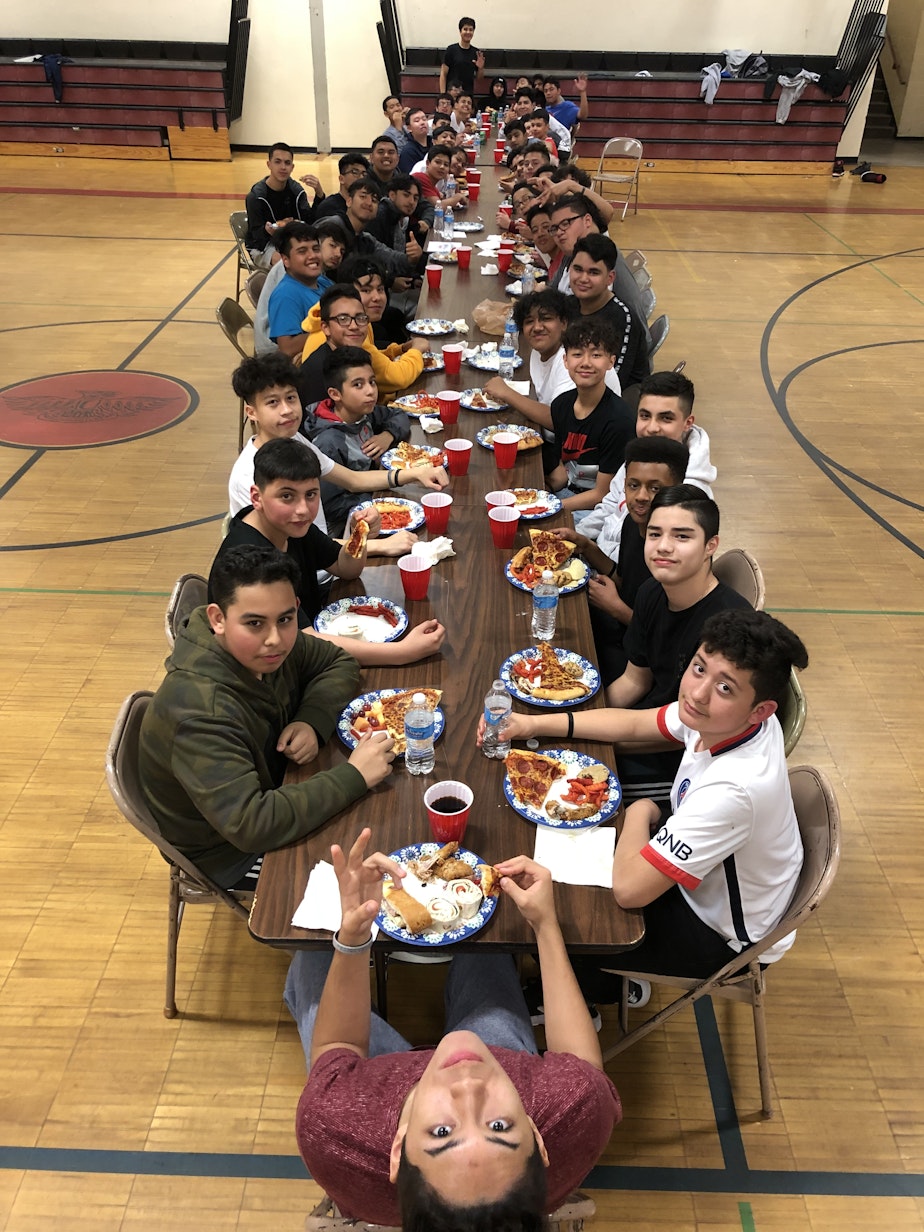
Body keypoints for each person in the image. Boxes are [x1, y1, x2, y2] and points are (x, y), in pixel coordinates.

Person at [287, 830, 622, 1227]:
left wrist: (354, 938)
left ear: (397, 1150)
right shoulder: (575, 1113)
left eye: (443, 1131)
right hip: (502, 1058)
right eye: (499, 1126)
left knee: (311, 962)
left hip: (379, 1085)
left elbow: (338, 1043)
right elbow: (580, 1063)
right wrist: (545, 924)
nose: (467, 1088)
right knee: (489, 951)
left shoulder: (334, 1127)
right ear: (538, 1137)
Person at [489, 609, 809, 1007]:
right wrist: (534, 725)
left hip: (720, 934)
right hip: (704, 876)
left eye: (725, 687)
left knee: (551, 909)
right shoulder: (728, 717)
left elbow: (629, 891)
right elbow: (637, 725)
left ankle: (593, 998)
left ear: (761, 709)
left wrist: (640, 811)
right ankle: (603, 981)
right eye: (698, 668)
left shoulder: (735, 789)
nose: (697, 693)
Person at [138, 544, 395, 890]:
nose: (275, 639)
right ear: (217, 619)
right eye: (254, 623)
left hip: (278, 787)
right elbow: (252, 824)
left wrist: (311, 720)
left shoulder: (263, 650)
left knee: (383, 835)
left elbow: (338, 661)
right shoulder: (199, 715)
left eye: (286, 620)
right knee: (360, 881)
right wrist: (354, 776)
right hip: (229, 854)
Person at [228, 353, 446, 547]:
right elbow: (296, 549)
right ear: (252, 412)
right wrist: (378, 546)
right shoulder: (250, 475)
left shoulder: (295, 440)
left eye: (291, 398)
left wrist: (417, 473)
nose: (287, 410)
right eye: (273, 402)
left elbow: (353, 479)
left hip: (328, 557)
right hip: (307, 576)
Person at [562, 435, 690, 684]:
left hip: (639, 660)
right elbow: (622, 578)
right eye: (633, 485)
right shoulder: (632, 524)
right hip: (617, 628)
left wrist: (616, 608)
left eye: (655, 488)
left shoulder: (676, 555)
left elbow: (667, 637)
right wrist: (586, 546)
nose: (641, 496)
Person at [580, 370, 716, 559]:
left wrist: (592, 554)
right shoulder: (643, 454)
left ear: (688, 423)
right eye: (645, 416)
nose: (651, 428)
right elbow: (611, 505)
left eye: (666, 418)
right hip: (603, 547)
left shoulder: (691, 495)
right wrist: (578, 536)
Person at [302, 347, 411, 536]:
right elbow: (331, 505)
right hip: (344, 527)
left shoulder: (362, 412)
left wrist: (388, 435)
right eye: (358, 385)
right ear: (335, 394)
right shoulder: (329, 442)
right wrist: (376, 496)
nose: (370, 391)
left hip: (372, 497)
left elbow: (399, 414)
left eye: (372, 382)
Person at [546, 317, 635, 519]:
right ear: (566, 361)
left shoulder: (619, 421)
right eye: (577, 354)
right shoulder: (561, 405)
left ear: (610, 362)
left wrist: (550, 507)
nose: (586, 363)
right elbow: (563, 468)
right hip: (567, 493)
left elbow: (602, 493)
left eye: (596, 355)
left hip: (598, 510)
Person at [299, 284, 428, 402]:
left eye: (360, 318)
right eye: (343, 319)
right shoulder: (319, 372)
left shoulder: (350, 355)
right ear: (325, 327)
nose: (354, 326)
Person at [570, 234, 649, 390]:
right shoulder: (570, 304)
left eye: (593, 272)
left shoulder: (622, 319)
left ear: (610, 278)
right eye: (578, 269)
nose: (583, 278)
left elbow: (614, 381)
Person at [244, 142, 324, 269]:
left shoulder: (297, 191)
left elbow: (310, 221)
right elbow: (256, 236)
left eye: (287, 163)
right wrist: (267, 231)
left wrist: (319, 194)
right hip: (263, 245)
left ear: (292, 167)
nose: (283, 167)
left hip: (292, 240)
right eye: (277, 162)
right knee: (287, 264)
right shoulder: (256, 197)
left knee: (321, 256)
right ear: (269, 164)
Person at [262, 223, 333, 360]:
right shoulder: (286, 295)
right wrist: (333, 330)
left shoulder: (322, 281)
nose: (312, 255)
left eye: (316, 249)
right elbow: (287, 348)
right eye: (302, 251)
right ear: (285, 260)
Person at [338, 255, 408, 348]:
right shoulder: (348, 334)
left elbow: (374, 354)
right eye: (366, 290)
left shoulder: (363, 322)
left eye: (380, 289)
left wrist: (403, 348)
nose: (377, 297)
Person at [314, 152, 371, 221]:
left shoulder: (367, 206)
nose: (361, 177)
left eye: (364, 174)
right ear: (341, 179)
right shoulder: (328, 208)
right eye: (355, 172)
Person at [439, 16, 484, 95]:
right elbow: (443, 74)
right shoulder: (451, 50)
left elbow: (479, 79)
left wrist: (480, 68)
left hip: (467, 95)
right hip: (452, 93)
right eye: (465, 29)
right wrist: (443, 95)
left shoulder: (476, 53)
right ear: (460, 31)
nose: (468, 32)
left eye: (471, 30)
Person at [397, 108, 431, 173]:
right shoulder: (408, 151)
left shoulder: (434, 142)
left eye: (424, 119)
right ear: (409, 128)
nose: (422, 123)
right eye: (417, 121)